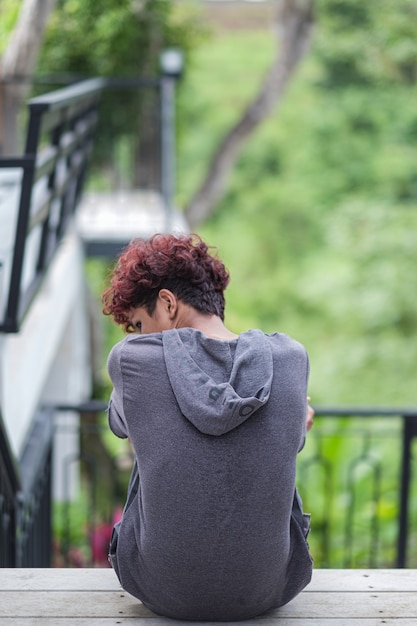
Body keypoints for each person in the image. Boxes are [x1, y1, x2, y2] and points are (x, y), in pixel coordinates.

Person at [102, 232, 314, 621]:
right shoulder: (291, 359)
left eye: (137, 324)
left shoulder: (132, 361)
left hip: (162, 590)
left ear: (166, 303)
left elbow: (118, 424)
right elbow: (290, 440)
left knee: (145, 445)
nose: (136, 337)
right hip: (269, 590)